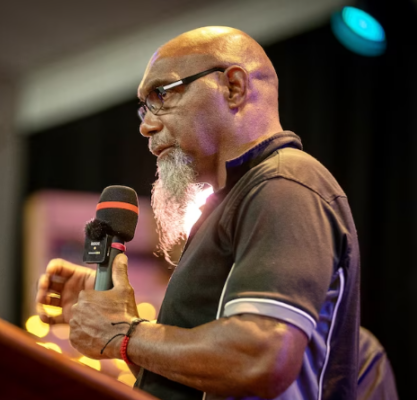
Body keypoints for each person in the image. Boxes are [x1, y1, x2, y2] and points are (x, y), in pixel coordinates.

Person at [36, 26, 361, 400]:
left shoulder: (285, 182)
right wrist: (120, 324)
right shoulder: (232, 201)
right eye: (144, 106)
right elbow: (196, 381)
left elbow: (259, 358)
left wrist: (123, 331)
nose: (146, 125)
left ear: (233, 87)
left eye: (161, 94)